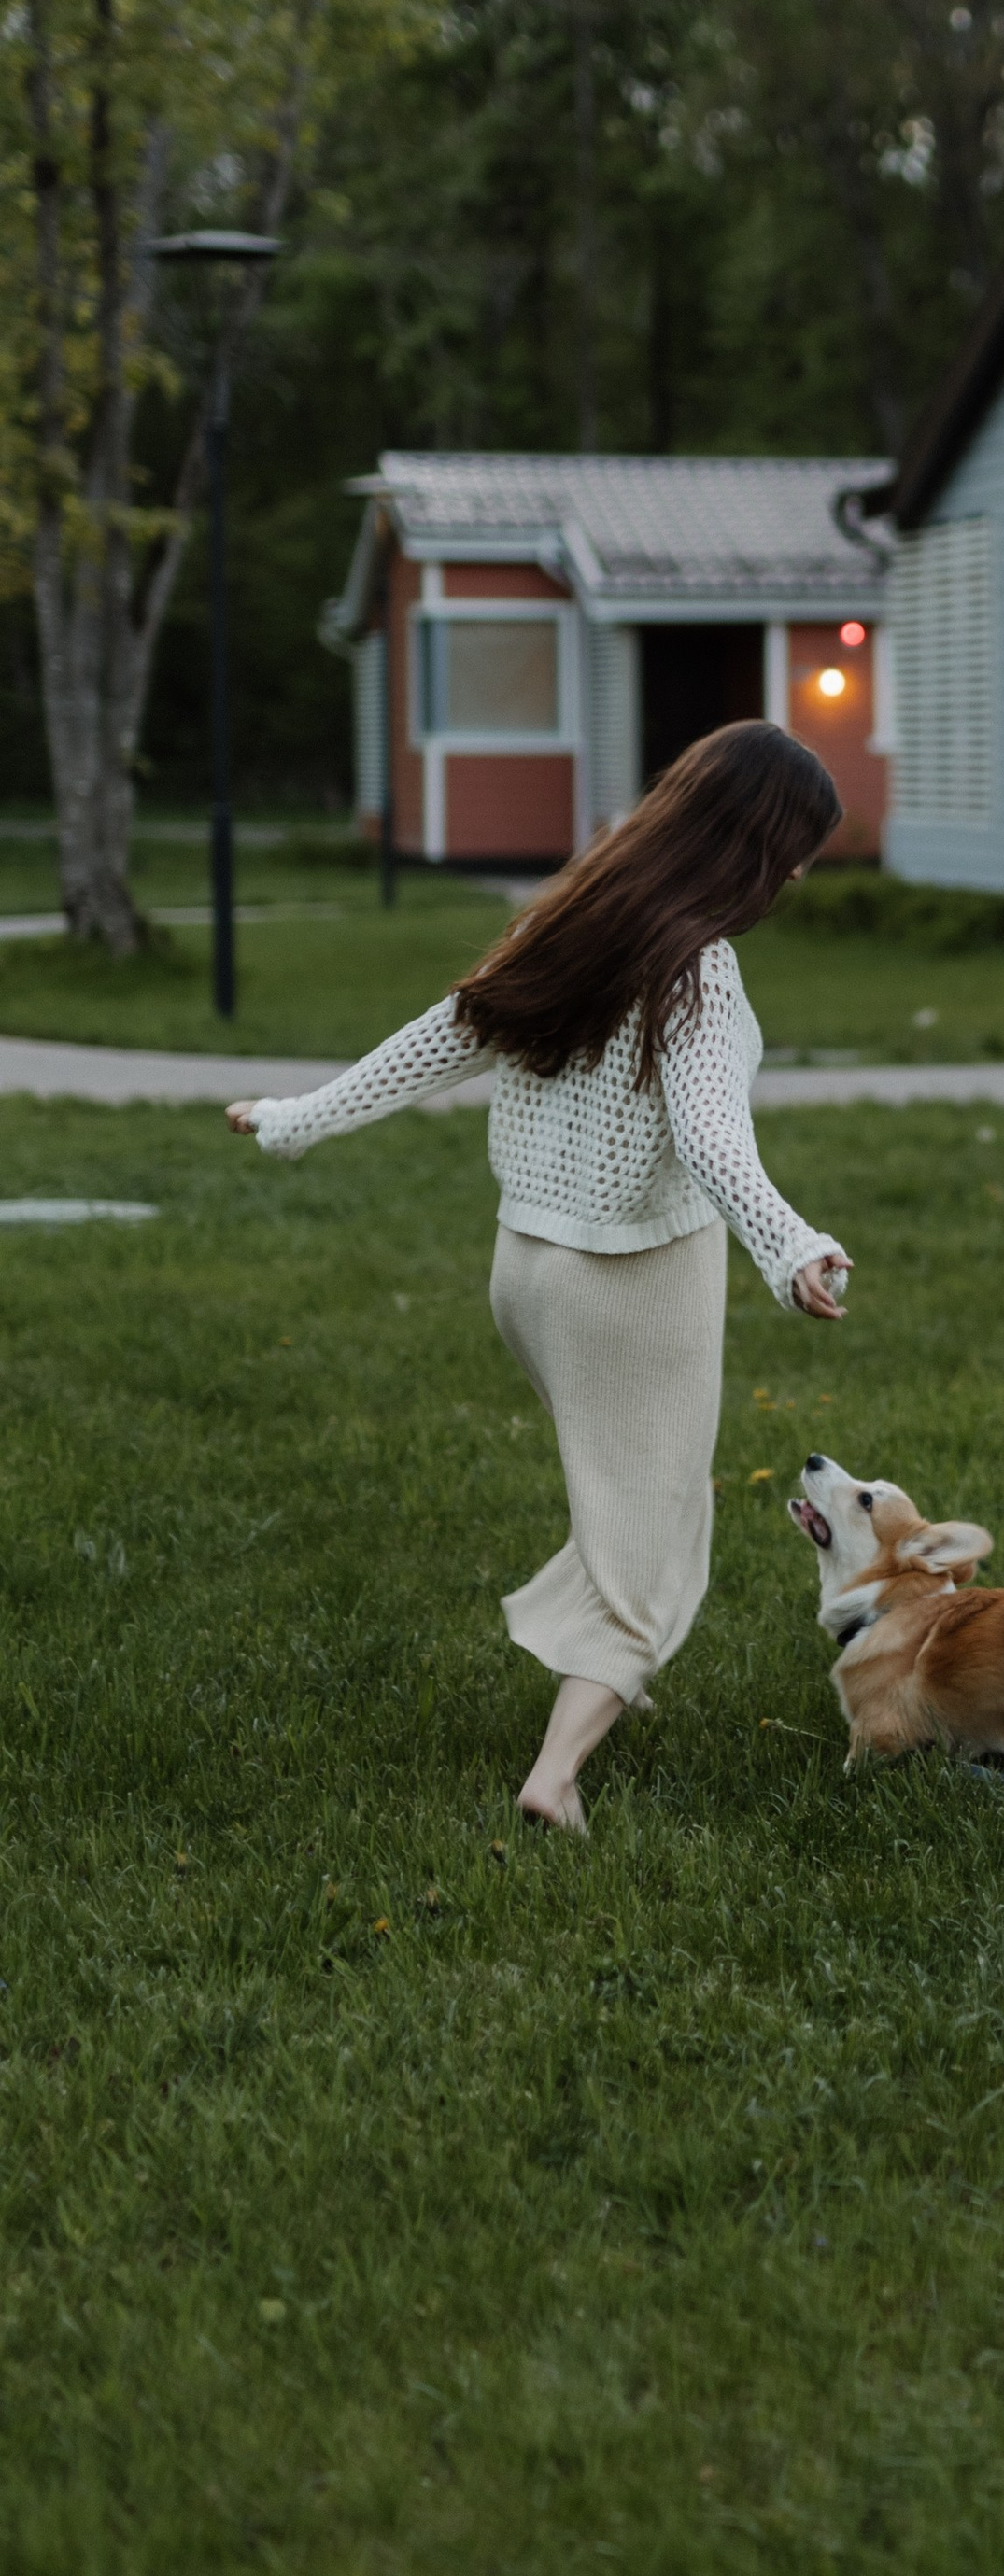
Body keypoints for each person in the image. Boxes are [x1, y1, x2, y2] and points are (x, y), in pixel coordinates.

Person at [228, 722, 852, 1835]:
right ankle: (556, 1776)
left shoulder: (570, 918)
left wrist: (295, 1119)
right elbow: (711, 1135)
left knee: (624, 1498)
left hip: (526, 1278)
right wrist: (789, 1243)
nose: (799, 873)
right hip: (628, 1288)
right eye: (796, 848)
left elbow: (442, 1036)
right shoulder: (697, 967)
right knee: (653, 1535)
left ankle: (608, 1672)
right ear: (749, 843)